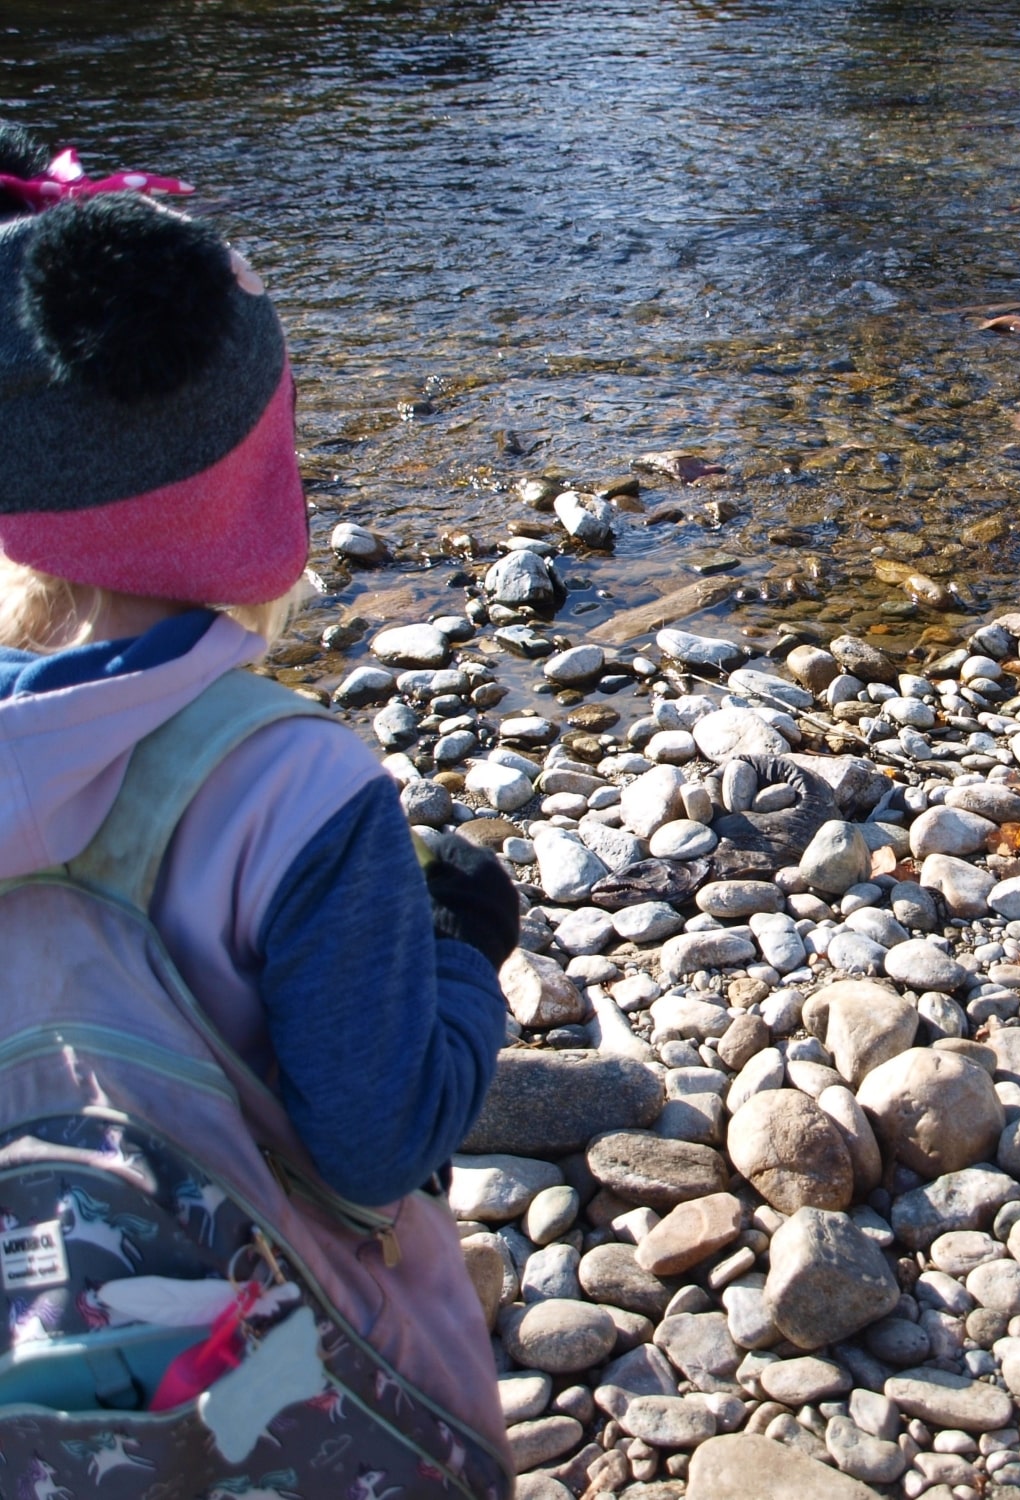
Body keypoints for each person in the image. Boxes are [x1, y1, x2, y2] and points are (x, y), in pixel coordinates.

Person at [0, 125, 515, 1484]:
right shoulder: (299, 787)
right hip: (237, 1359)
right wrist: (458, 957)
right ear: (259, 486)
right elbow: (372, 1149)